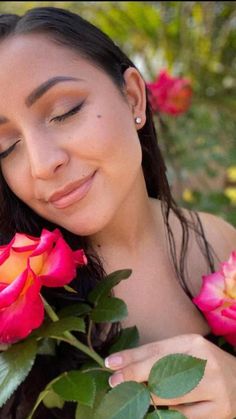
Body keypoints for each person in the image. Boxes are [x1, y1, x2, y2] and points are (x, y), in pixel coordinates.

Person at [0, 6, 235, 419]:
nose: (41, 164)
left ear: (132, 97)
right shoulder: (14, 310)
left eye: (64, 111)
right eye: (5, 146)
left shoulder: (220, 245)